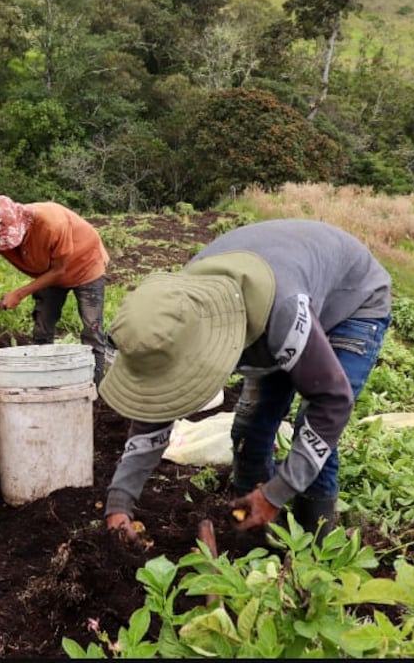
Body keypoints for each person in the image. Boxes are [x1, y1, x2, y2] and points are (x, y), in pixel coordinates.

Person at [98, 218, 392, 542]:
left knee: (312, 428)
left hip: (350, 302)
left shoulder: (281, 313)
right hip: (278, 297)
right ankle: (253, 531)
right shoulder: (176, 313)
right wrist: (119, 503)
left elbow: (332, 402)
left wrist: (275, 493)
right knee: (249, 430)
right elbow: (156, 404)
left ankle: (314, 548)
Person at [0, 195, 111, 384]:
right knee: (42, 326)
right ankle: (44, 381)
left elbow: (59, 270)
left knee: (92, 327)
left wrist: (19, 293)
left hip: (85, 265)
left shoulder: (51, 223)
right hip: (47, 272)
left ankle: (96, 386)